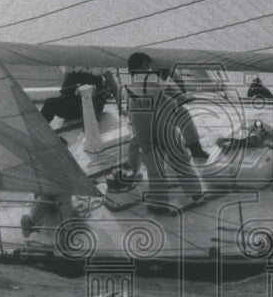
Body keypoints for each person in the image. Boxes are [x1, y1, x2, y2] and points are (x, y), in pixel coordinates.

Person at [123, 51, 205, 212]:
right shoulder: (152, 78)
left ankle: (159, 201)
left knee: (152, 161)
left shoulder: (128, 86)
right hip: (160, 121)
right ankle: (196, 192)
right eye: (148, 64)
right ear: (144, 65)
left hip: (141, 125)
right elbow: (172, 93)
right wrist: (182, 96)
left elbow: (130, 111)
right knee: (177, 155)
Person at [40, 66, 120, 124]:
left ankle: (90, 133)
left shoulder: (100, 65)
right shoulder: (70, 65)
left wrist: (120, 107)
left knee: (90, 99)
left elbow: (113, 87)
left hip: (93, 105)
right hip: (73, 106)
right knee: (49, 103)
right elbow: (65, 88)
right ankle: (39, 131)